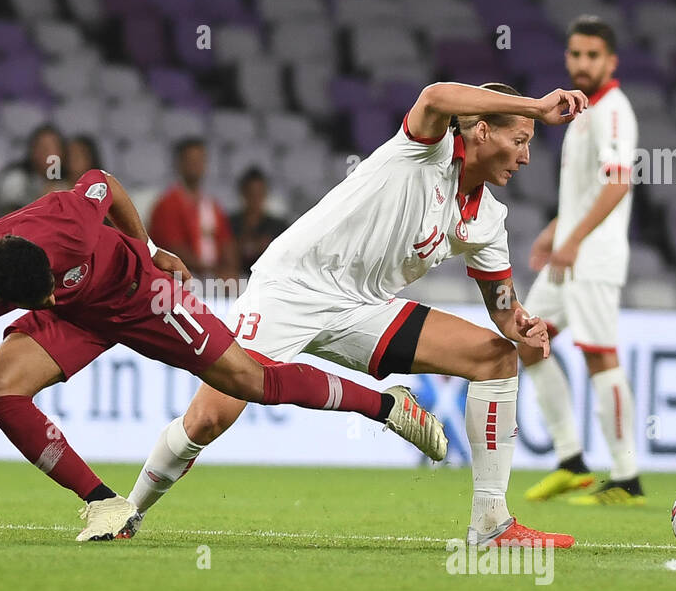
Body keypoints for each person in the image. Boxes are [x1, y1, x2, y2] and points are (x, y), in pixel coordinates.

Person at [127, 82, 581, 548]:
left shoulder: (487, 218)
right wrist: (535, 107)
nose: (526, 157)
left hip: (365, 307)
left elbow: (501, 306)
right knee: (208, 419)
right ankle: (127, 512)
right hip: (292, 288)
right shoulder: (427, 150)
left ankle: (491, 524)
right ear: (482, 130)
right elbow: (434, 95)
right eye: (520, 141)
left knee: (495, 357)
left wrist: (520, 322)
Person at [0, 169, 448, 541]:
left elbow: (102, 181)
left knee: (248, 381)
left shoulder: (69, 223)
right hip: (78, 317)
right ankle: (106, 504)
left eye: (53, 285)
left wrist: (150, 251)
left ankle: (384, 404)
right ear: (0, 298)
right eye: (40, 298)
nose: (49, 295)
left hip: (136, 293)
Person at [520, 16, 645, 507]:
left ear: (611, 61)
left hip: (593, 257)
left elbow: (617, 183)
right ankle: (571, 461)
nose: (582, 63)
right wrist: (556, 232)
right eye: (575, 54)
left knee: (599, 355)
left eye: (592, 55)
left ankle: (627, 476)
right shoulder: (583, 111)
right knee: (529, 341)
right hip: (572, 251)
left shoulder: (613, 110)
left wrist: (573, 242)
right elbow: (586, 189)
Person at [148, 138, 240, 280]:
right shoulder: (167, 204)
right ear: (179, 164)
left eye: (200, 160)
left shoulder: (213, 206)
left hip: (212, 278)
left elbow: (226, 243)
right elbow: (173, 249)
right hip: (179, 277)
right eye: (190, 160)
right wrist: (214, 272)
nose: (195, 165)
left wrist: (230, 270)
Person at [0, 123, 63, 223]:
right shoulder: (15, 179)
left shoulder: (61, 183)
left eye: (52, 147)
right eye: (42, 147)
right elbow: (11, 222)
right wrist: (42, 202)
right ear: (32, 151)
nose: (47, 152)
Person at [229, 167, 287, 277]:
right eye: (251, 193)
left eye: (259, 193)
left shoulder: (278, 226)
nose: (255, 198)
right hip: (235, 280)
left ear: (265, 194)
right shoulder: (231, 224)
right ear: (243, 193)